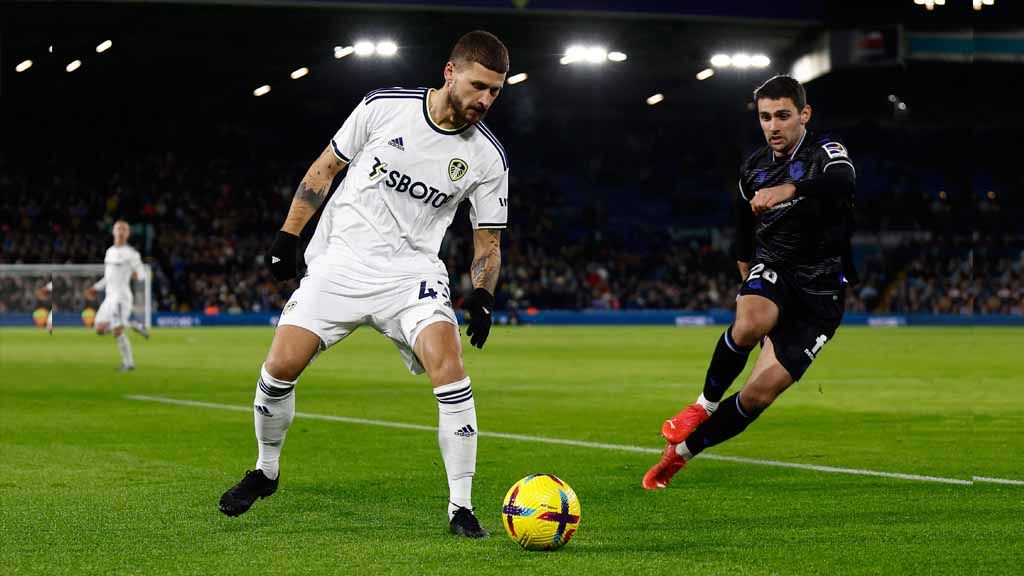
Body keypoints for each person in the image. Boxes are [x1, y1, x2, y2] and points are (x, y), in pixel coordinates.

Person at [219, 31, 510, 539]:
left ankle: (460, 508)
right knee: (279, 366)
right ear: (450, 72)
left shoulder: (488, 158)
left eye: (495, 92)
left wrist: (483, 295)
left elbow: (487, 241)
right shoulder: (382, 108)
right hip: (340, 263)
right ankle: (265, 471)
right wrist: (288, 237)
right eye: (478, 86)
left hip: (411, 273)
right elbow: (325, 169)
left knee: (450, 368)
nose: (485, 100)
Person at [643, 75, 857, 489]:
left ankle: (682, 453)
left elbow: (843, 182)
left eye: (782, 116)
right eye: (765, 117)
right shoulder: (753, 167)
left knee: (758, 395)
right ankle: (703, 405)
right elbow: (742, 226)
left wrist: (789, 188)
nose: (773, 126)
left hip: (821, 292)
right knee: (749, 322)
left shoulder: (827, 153)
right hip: (776, 267)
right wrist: (747, 279)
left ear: (804, 114)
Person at [86, 220, 150, 371]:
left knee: (117, 331)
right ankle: (133, 324)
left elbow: (142, 275)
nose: (120, 231)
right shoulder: (109, 252)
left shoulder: (132, 254)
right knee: (99, 328)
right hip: (109, 297)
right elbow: (108, 277)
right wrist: (95, 288)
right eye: (118, 228)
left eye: (124, 229)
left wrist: (137, 275)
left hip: (121, 298)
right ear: (113, 231)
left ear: (128, 234)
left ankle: (129, 363)